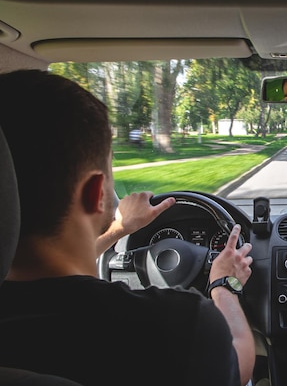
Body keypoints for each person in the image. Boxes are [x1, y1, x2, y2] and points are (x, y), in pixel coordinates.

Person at [0, 69, 255, 386]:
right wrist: (225, 285)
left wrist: (119, 229)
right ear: (96, 192)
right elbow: (240, 364)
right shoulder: (182, 326)